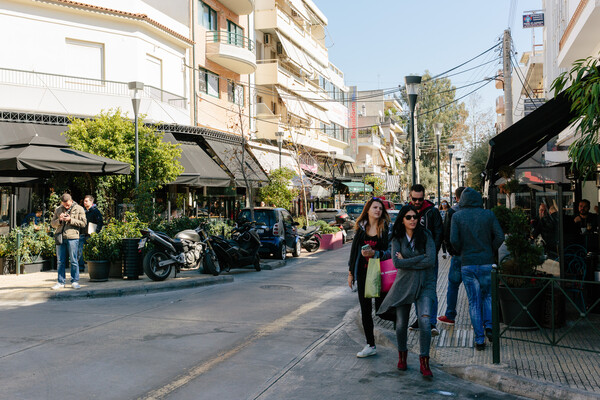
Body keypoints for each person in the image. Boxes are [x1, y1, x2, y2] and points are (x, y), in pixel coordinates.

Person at [377, 205, 436, 377]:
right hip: (404, 284)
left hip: (426, 283)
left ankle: (424, 361)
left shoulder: (426, 235)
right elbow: (397, 264)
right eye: (408, 217)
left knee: (425, 322)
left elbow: (431, 260)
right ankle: (402, 356)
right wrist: (420, 258)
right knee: (401, 324)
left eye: (415, 217)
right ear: (402, 220)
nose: (412, 220)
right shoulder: (397, 238)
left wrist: (408, 259)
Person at [450, 188, 503, 350]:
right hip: (487, 262)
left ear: (462, 200)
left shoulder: (457, 216)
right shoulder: (488, 215)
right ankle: (490, 327)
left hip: (468, 264)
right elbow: (500, 236)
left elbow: (454, 241)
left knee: (474, 302)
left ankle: (479, 340)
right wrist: (490, 250)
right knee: (488, 297)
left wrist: (462, 251)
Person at [347, 197, 391, 358]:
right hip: (363, 272)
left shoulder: (386, 229)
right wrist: (351, 272)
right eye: (375, 208)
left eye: (380, 208)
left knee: (382, 310)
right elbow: (354, 252)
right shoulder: (361, 228)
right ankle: (370, 345)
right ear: (368, 210)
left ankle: (402, 326)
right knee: (365, 310)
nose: (378, 210)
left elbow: (390, 252)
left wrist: (375, 254)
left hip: (380, 272)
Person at [407, 184, 443, 336]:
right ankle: (420, 319)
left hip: (429, 259)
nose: (417, 202)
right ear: (410, 196)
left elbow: (439, 233)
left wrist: (432, 252)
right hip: (413, 258)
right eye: (414, 199)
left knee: (430, 289)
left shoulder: (432, 212)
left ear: (424, 196)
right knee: (416, 289)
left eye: (420, 199)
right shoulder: (407, 211)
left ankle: (431, 321)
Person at [438, 186, 466, 325]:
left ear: (456, 197)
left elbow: (446, 234)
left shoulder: (452, 211)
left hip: (457, 255)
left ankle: (450, 315)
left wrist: (451, 251)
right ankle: (484, 321)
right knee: (474, 288)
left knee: (453, 285)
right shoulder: (477, 211)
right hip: (473, 256)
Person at [50, 193, 86, 290]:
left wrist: (71, 220)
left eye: (68, 204)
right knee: (60, 261)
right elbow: (52, 224)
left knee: (74, 260)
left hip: (73, 237)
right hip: (61, 237)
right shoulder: (58, 209)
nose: (66, 206)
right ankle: (60, 282)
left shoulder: (79, 208)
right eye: (64, 204)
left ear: (71, 200)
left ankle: (75, 281)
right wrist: (60, 220)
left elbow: (83, 223)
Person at [78, 195, 104, 273]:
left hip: (91, 234)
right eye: (84, 201)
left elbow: (100, 222)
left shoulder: (95, 211)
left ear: (91, 201)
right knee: (80, 251)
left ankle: (94, 267)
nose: (85, 203)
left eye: (86, 201)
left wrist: (96, 232)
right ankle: (81, 267)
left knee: (93, 250)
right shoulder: (83, 211)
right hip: (83, 233)